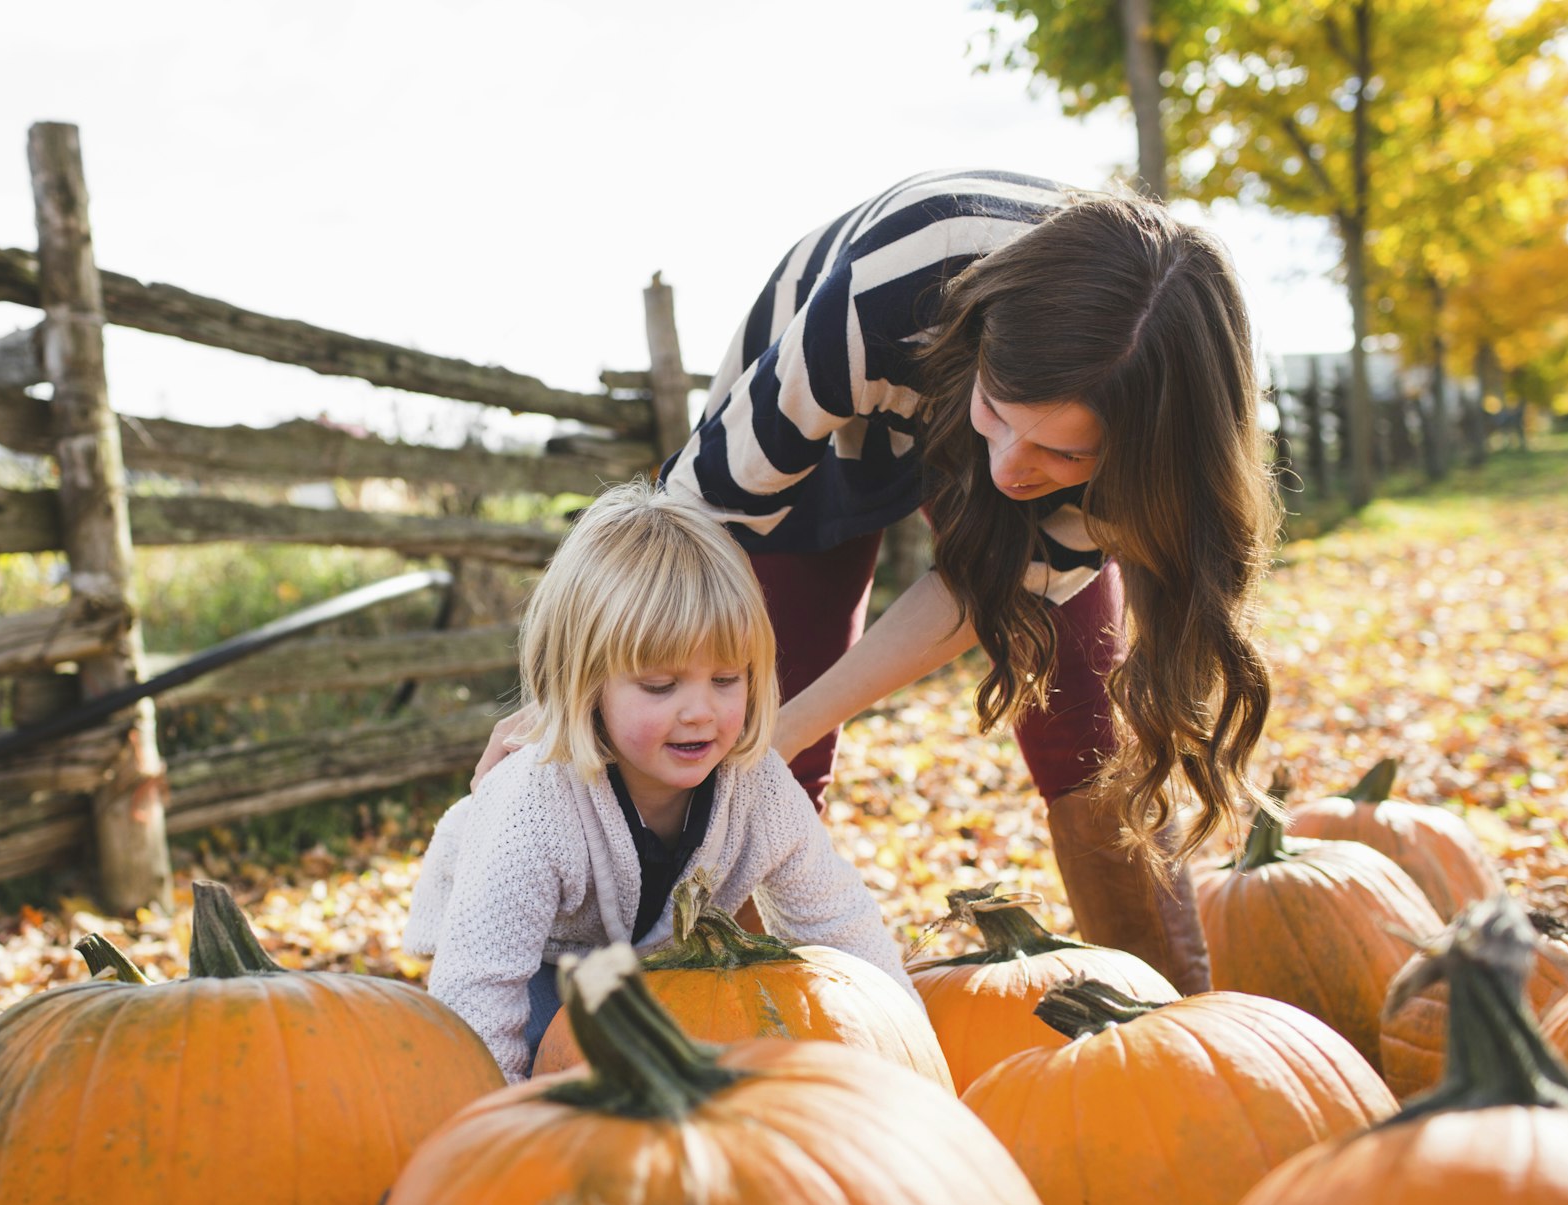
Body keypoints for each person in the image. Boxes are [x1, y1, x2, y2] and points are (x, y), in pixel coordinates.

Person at [482, 170, 1280, 995]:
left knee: (1085, 719)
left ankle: (1175, 1007)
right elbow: (694, 511)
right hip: (820, 420)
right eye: (1000, 416)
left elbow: (989, 596)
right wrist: (585, 692)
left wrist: (790, 725)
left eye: (1063, 454)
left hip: (1022, 407)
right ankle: (737, 1021)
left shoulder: (1164, 425)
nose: (1010, 470)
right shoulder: (881, 296)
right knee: (749, 723)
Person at [408, 480, 917, 1082]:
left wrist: (915, 1058)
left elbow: (841, 924)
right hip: (530, 961)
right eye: (660, 686)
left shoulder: (759, 788)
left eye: (726, 679)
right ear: (586, 682)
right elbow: (477, 995)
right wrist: (504, 1127)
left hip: (648, 967)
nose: (700, 711)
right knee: (572, 1070)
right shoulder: (532, 806)